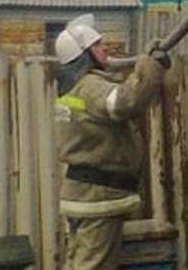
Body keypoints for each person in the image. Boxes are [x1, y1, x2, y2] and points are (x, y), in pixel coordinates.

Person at [54, 14, 170, 270]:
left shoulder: (70, 90)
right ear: (83, 55)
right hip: (97, 198)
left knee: (77, 263)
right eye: (97, 45)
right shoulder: (89, 87)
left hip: (81, 195)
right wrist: (150, 67)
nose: (104, 48)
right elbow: (125, 102)